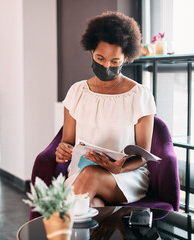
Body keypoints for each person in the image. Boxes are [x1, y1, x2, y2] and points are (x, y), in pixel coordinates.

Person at [55, 12, 156, 207]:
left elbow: (143, 155)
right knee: (94, 205)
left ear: (126, 57)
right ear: (91, 50)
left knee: (90, 179)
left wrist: (119, 168)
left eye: (115, 62)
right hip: (81, 173)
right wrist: (63, 150)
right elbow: (66, 142)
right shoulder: (77, 92)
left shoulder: (139, 95)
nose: (106, 66)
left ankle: (58, 232)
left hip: (125, 177)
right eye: (100, 58)